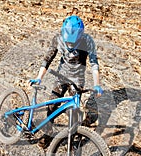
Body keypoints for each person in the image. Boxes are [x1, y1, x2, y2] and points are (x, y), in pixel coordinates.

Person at [29, 15, 103, 148]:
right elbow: (48, 59)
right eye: (68, 43)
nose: (70, 46)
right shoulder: (57, 38)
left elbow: (94, 63)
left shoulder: (87, 41)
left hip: (77, 80)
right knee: (51, 106)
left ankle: (71, 139)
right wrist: (39, 78)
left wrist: (97, 84)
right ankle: (48, 133)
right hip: (60, 76)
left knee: (74, 112)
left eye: (73, 43)